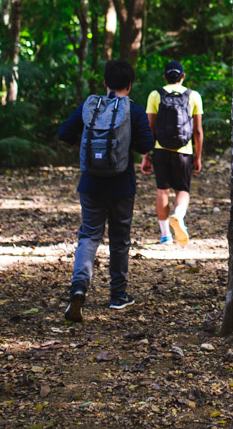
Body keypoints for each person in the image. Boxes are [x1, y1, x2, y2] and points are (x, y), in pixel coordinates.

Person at [57, 59, 155, 322]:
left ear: (105, 83)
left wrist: (91, 145)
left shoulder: (90, 106)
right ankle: (118, 296)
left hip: (90, 184)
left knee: (89, 237)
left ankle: (79, 288)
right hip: (122, 185)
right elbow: (147, 142)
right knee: (120, 239)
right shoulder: (132, 110)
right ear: (130, 84)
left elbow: (64, 133)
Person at [141, 60, 204, 246]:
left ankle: (165, 235)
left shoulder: (155, 94)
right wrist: (198, 157)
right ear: (183, 76)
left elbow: (149, 127)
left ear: (164, 77)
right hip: (184, 151)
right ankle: (178, 215)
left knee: (162, 190)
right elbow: (198, 131)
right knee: (182, 189)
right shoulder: (193, 96)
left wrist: (146, 155)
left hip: (160, 149)